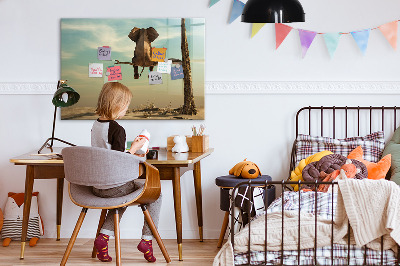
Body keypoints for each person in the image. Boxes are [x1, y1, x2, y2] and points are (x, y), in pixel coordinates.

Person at [91, 82, 162, 263]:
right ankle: (147, 240)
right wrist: (135, 149)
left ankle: (104, 238)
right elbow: (119, 161)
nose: (126, 110)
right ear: (117, 104)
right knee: (156, 194)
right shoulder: (117, 129)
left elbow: (108, 154)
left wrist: (132, 150)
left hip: (97, 186)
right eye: (126, 106)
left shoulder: (96, 125)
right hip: (114, 186)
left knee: (121, 198)